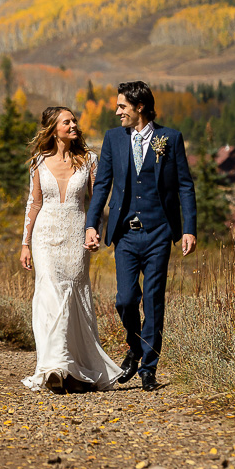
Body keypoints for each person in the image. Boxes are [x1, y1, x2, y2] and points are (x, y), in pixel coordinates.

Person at [85, 81, 197, 392]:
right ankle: (134, 347)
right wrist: (91, 225)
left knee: (153, 300)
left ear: (140, 108)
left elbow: (185, 185)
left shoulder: (170, 138)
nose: (117, 111)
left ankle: (149, 367)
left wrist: (189, 228)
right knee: (125, 299)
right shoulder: (113, 139)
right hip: (125, 234)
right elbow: (102, 186)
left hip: (160, 232)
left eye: (122, 106)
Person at [19, 106, 122, 394]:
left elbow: (98, 199)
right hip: (45, 236)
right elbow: (34, 203)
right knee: (50, 292)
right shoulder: (39, 162)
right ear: (54, 129)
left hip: (76, 235)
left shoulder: (89, 160)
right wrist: (25, 242)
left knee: (75, 294)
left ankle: (77, 369)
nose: (74, 125)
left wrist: (96, 231)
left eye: (74, 121)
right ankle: (54, 366)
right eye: (68, 122)